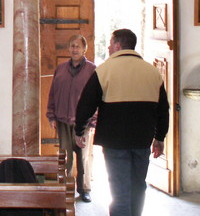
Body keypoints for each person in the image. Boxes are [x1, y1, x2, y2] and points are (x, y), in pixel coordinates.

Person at [75, 28, 169, 216]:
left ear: (118, 45)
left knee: (119, 189)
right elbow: (163, 109)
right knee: (138, 186)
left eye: (110, 43)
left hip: (114, 141)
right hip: (142, 140)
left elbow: (86, 104)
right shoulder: (152, 72)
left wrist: (79, 131)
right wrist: (159, 137)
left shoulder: (104, 70)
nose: (108, 47)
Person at [46, 34, 96, 203]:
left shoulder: (92, 70)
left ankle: (84, 189)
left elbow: (97, 97)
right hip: (62, 120)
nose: (74, 49)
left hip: (83, 123)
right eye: (72, 46)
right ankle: (64, 188)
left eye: (78, 46)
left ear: (84, 49)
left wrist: (93, 120)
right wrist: (51, 115)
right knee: (65, 157)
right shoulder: (60, 69)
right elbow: (52, 94)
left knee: (83, 158)